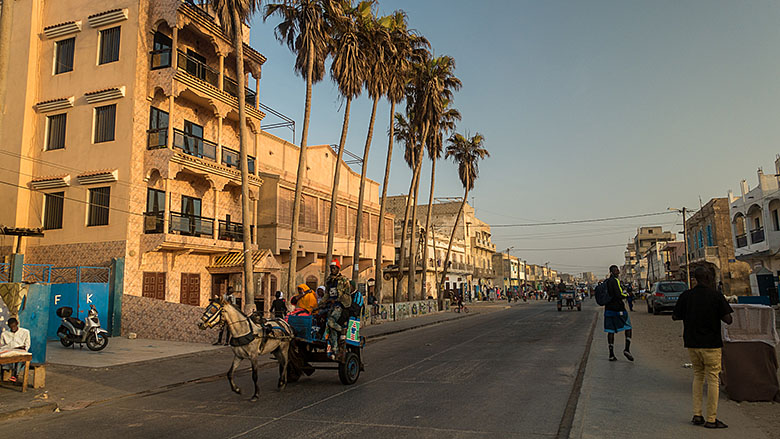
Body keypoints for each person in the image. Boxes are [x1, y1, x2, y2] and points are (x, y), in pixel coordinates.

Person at [673, 266, 733, 429]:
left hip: (692, 343)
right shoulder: (715, 296)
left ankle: (697, 415)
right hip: (711, 344)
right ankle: (711, 419)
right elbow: (728, 320)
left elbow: (675, 316)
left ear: (695, 278)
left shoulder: (686, 296)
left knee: (698, 376)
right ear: (707, 278)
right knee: (713, 378)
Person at [322, 260, 351, 358]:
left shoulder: (343, 280)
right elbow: (326, 294)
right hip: (331, 306)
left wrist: (338, 300)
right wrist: (320, 304)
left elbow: (347, 294)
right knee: (330, 328)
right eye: (331, 268)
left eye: (334, 268)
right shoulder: (329, 280)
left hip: (340, 306)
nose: (332, 270)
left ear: (338, 268)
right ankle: (334, 349)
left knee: (330, 322)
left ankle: (342, 330)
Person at [604, 265, 633, 362]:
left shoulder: (606, 282)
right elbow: (619, 294)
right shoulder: (615, 281)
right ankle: (627, 349)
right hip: (618, 309)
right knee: (628, 327)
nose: (618, 271)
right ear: (613, 272)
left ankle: (611, 354)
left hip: (608, 309)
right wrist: (627, 295)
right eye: (616, 270)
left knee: (610, 331)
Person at [0, 317, 31, 382]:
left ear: (17, 324)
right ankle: (10, 375)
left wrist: (23, 348)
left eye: (14, 326)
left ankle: (15, 375)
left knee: (19, 358)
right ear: (8, 326)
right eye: (11, 327)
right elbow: (1, 346)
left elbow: (27, 344)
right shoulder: (4, 334)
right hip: (8, 352)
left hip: (21, 352)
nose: (13, 328)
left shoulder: (25, 332)